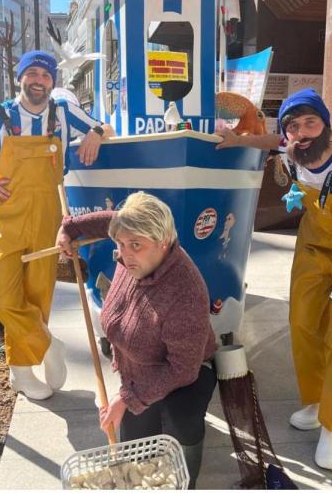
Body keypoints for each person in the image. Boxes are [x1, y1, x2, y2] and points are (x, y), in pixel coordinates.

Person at [216, 88, 332, 471]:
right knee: (303, 322)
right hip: (314, 244)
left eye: (311, 122)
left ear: (326, 125)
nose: (301, 132)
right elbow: (269, 140)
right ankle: (315, 401)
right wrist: (236, 139)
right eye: (294, 126)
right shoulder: (292, 148)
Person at [0, 50, 112, 400]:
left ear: (53, 82)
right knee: (4, 299)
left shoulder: (63, 113)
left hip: (48, 217)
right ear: (20, 78)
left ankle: (21, 373)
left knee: (38, 294)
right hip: (5, 217)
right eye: (32, 73)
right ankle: (49, 345)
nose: (38, 80)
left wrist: (96, 132)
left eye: (46, 75)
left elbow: (105, 126)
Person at [56, 192, 216, 488]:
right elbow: (112, 223)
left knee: (180, 424)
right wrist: (70, 228)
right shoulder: (132, 246)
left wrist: (126, 398)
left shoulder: (186, 292)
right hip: (138, 371)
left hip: (187, 372)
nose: (124, 254)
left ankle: (187, 480)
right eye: (119, 244)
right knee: (136, 452)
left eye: (135, 246)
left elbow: (183, 369)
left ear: (163, 241)